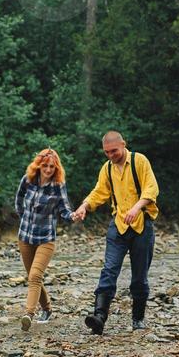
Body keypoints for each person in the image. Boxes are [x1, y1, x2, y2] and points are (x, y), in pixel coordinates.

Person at [70, 131, 159, 333]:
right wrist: (84, 206)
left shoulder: (139, 161)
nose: (111, 155)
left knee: (139, 276)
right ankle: (99, 317)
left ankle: (138, 319)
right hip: (118, 226)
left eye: (114, 151)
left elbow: (151, 189)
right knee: (109, 270)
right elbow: (99, 192)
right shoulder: (107, 169)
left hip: (142, 226)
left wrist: (137, 208)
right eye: (107, 152)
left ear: (123, 144)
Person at [14, 147, 75, 332]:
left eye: (52, 167)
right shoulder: (28, 179)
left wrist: (73, 216)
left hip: (46, 238)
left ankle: (29, 314)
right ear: (39, 165)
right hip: (25, 236)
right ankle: (47, 309)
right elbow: (19, 199)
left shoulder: (58, 185)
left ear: (56, 168)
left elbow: (64, 210)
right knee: (33, 277)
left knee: (35, 276)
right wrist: (23, 216)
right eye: (45, 166)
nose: (48, 170)